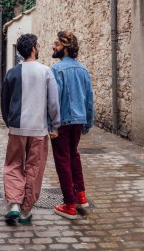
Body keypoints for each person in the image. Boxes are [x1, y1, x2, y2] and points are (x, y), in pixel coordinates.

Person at [1, 34, 60, 224]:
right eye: (38, 44)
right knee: (34, 168)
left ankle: (14, 204)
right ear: (33, 48)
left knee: (13, 165)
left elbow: (4, 102)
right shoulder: (46, 71)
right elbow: (53, 103)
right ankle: (26, 210)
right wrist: (55, 124)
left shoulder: (11, 73)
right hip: (39, 130)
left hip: (17, 128)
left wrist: (9, 122)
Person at [51, 30, 94, 220]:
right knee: (74, 156)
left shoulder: (56, 69)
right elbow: (90, 101)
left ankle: (69, 204)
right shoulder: (83, 70)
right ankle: (81, 196)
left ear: (65, 48)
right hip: (78, 121)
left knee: (62, 160)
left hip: (61, 123)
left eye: (57, 44)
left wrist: (50, 125)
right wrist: (87, 123)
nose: (54, 47)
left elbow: (54, 101)